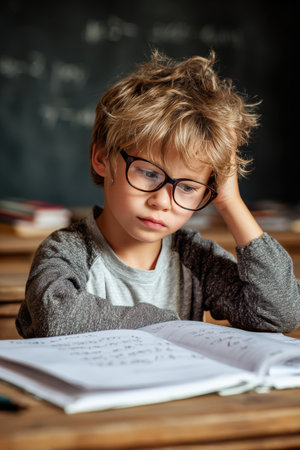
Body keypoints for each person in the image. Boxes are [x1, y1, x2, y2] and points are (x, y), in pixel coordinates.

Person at [16, 51, 300, 338]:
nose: (162, 201)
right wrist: (167, 322)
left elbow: (282, 313)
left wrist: (230, 202)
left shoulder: (194, 259)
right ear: (102, 158)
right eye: (149, 173)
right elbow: (56, 318)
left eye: (188, 187)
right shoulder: (67, 251)